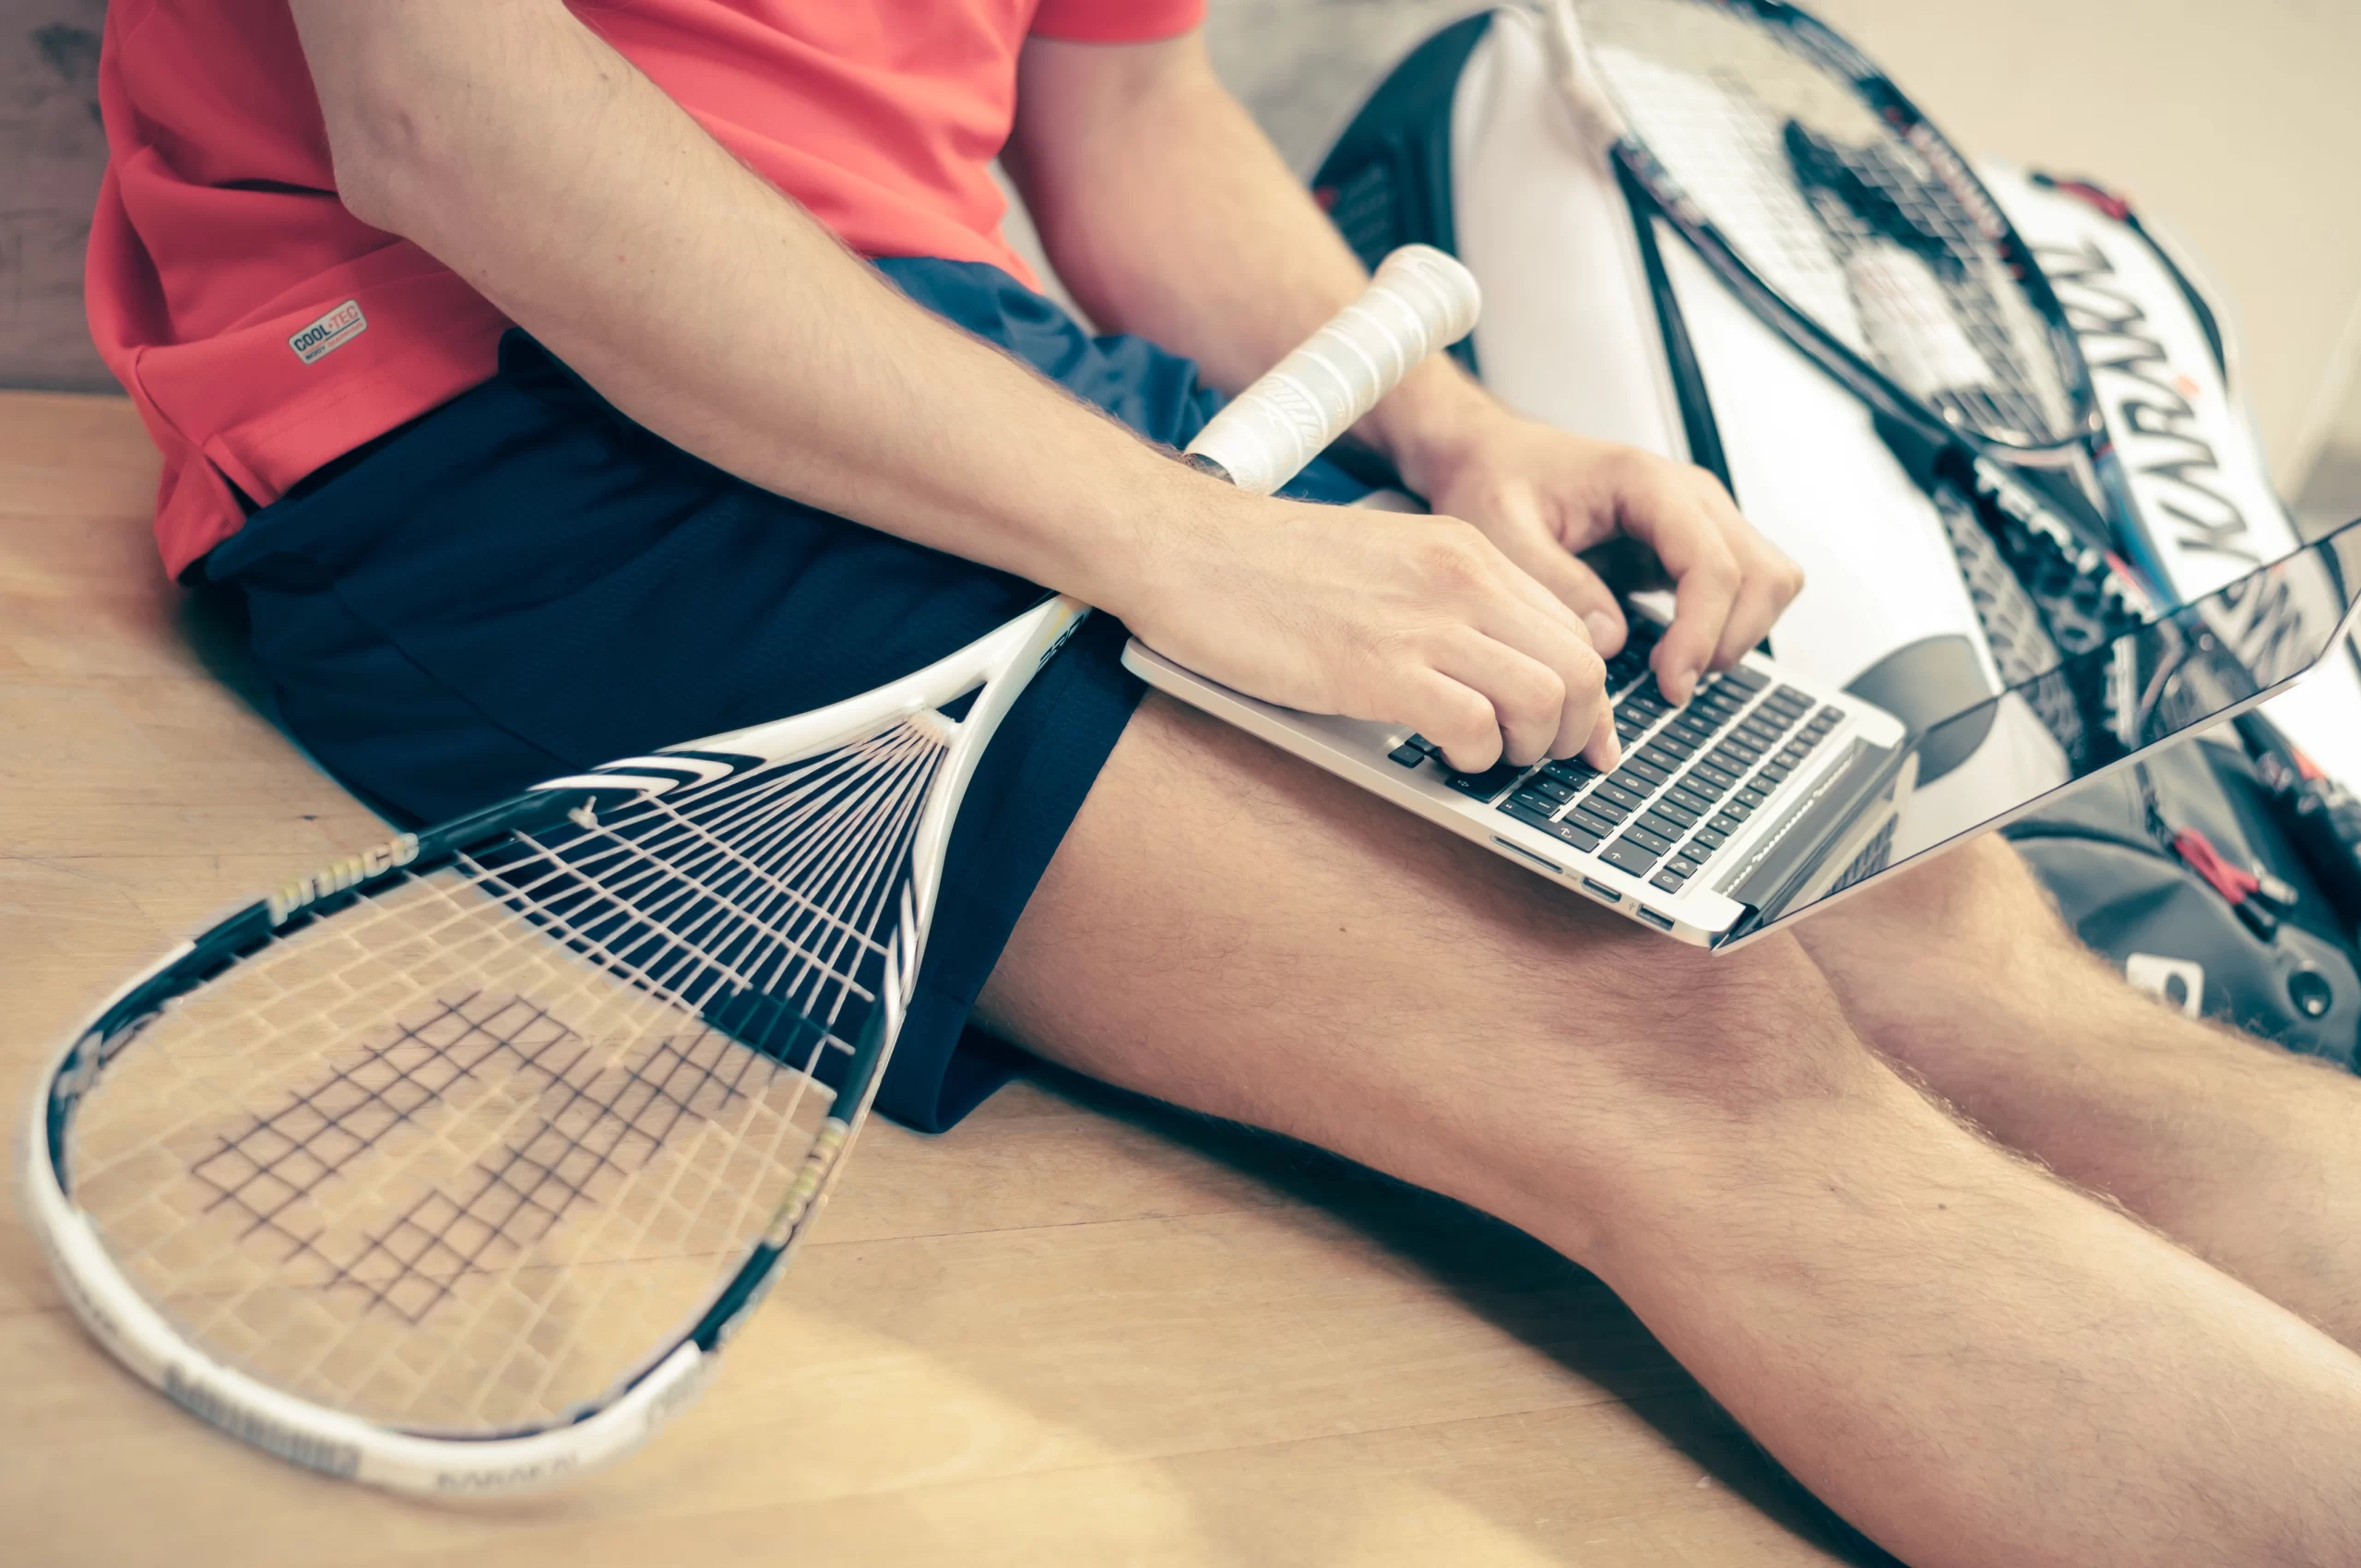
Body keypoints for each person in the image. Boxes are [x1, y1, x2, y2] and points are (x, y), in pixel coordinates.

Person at [85, 3, 2361, 1562]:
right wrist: (1174, 540)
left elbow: (1126, 113)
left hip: (941, 339)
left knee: (1921, 918)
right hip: (448, 391)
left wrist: (1445, 432)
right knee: (1669, 1028)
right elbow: (442, 115)